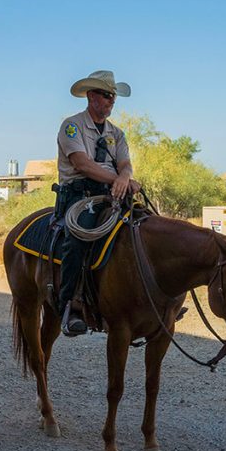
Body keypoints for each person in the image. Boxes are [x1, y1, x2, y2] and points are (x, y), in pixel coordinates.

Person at [55, 70, 138, 337]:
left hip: (112, 192)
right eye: (106, 94)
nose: (111, 100)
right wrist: (120, 179)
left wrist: (124, 178)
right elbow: (82, 163)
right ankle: (69, 305)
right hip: (80, 195)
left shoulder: (117, 133)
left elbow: (125, 163)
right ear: (91, 96)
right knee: (78, 239)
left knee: (145, 225)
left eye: (113, 96)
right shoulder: (72, 125)